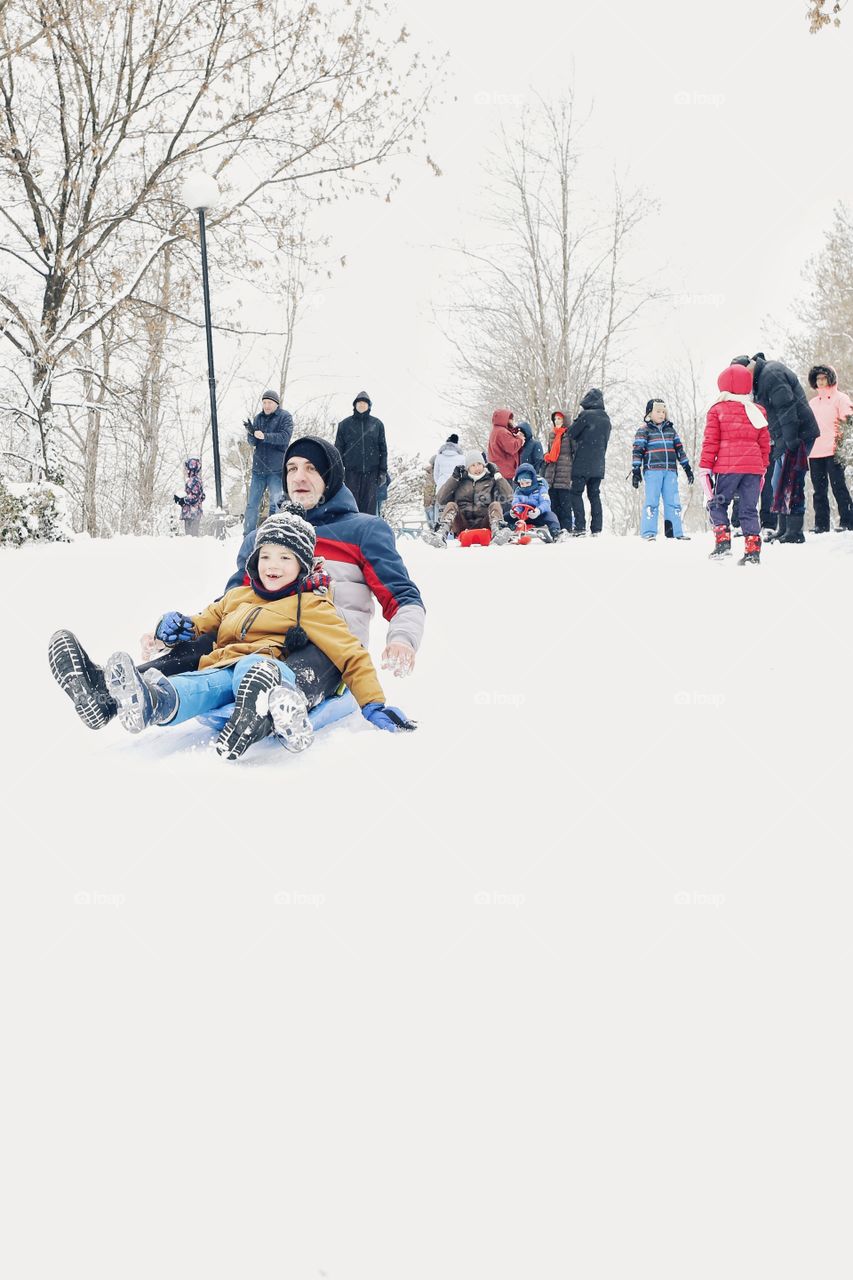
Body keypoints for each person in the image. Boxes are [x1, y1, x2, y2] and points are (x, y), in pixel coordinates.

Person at [49, 437, 426, 733]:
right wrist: (177, 632)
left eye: (311, 468)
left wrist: (402, 640)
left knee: (308, 655)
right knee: (211, 640)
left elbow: (403, 596)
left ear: (331, 476)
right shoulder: (266, 536)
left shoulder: (363, 530)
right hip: (259, 637)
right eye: (291, 468)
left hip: (325, 645)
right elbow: (233, 602)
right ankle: (107, 694)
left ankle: (271, 706)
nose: (298, 477)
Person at [48, 508, 415, 760]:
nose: (273, 565)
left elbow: (349, 653)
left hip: (270, 668)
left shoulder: (313, 606)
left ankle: (267, 710)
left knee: (254, 671)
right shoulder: (238, 596)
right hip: (223, 665)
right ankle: (150, 702)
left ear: (302, 567)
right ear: (254, 561)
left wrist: (373, 704)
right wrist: (173, 625)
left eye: (286, 559)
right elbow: (202, 622)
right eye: (266, 556)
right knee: (197, 686)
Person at [731, 353, 819, 544]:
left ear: (748, 368)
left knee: (792, 481)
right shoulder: (759, 380)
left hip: (798, 435)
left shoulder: (771, 373)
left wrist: (792, 441)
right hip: (783, 438)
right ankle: (783, 528)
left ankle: (795, 532)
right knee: (778, 482)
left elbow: (786, 408)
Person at [699, 363, 770, 565]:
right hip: (753, 468)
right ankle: (752, 551)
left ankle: (723, 544)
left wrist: (705, 466)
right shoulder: (757, 411)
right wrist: (762, 466)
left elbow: (711, 441)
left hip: (727, 467)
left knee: (717, 502)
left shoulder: (717, 410)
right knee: (749, 509)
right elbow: (764, 443)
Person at [631, 400, 694, 541]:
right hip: (653, 471)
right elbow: (637, 451)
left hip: (670, 471)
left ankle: (675, 532)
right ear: (649, 414)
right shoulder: (644, 430)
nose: (661, 414)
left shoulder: (671, 430)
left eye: (663, 412)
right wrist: (636, 470)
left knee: (673, 501)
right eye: (658, 411)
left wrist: (687, 468)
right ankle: (648, 532)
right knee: (652, 501)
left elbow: (680, 450)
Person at [424, 451, 513, 547]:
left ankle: (498, 533)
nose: (477, 468)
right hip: (463, 523)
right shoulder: (461, 481)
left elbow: (509, 496)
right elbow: (441, 499)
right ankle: (440, 535)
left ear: (484, 465)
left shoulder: (491, 480)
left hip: (485, 522)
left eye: (479, 464)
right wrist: (454, 478)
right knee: (451, 505)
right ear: (468, 468)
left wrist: (498, 475)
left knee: (495, 504)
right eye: (473, 465)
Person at [806, 364, 853, 532]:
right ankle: (821, 524)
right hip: (815, 451)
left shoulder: (841, 398)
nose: (820, 381)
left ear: (830, 378)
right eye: (817, 379)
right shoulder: (812, 403)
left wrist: (841, 445)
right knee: (818, 491)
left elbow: (847, 423)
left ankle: (848, 522)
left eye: (823, 378)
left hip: (834, 450)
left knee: (838, 487)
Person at [242, 389, 293, 534]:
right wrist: (251, 434)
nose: (266, 405)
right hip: (258, 469)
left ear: (276, 404)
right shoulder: (259, 418)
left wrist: (264, 436)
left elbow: (285, 438)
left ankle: (273, 533)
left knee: (276, 504)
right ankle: (248, 535)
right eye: (264, 402)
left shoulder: (285, 417)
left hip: (276, 470)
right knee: (252, 505)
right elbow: (253, 442)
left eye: (269, 402)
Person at [334, 391, 388, 514]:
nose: (362, 405)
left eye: (365, 403)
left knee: (370, 507)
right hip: (351, 473)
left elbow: (383, 449)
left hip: (372, 473)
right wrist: (338, 471)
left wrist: (383, 471)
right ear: (355, 405)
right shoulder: (345, 425)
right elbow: (337, 450)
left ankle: (367, 531)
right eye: (359, 403)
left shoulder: (377, 424)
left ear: (369, 406)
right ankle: (352, 531)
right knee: (351, 505)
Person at [568, 389, 611, 535]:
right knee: (594, 495)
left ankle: (580, 527)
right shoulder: (606, 419)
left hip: (581, 463)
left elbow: (571, 433)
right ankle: (597, 528)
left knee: (576, 493)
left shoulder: (586, 416)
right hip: (598, 464)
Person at [509, 463, 561, 541]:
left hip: (538, 515)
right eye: (522, 483)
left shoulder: (541, 489)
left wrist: (538, 510)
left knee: (551, 516)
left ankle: (555, 533)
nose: (525, 486)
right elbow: (516, 502)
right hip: (523, 517)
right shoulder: (518, 491)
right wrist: (515, 511)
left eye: (527, 483)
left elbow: (545, 502)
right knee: (507, 516)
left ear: (532, 481)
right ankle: (505, 530)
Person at [424, 434, 465, 525]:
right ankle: (455, 531)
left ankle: (441, 529)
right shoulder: (462, 458)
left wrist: (440, 483)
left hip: (441, 488)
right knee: (455, 510)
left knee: (442, 512)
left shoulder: (439, 457)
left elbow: (436, 475)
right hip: (457, 488)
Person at [543, 410, 574, 532]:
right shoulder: (552, 435)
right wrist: (547, 456)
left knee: (565, 504)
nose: (557, 421)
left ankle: (566, 528)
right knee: (553, 503)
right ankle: (555, 528)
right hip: (552, 474)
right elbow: (550, 451)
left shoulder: (569, 435)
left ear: (565, 421)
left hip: (565, 473)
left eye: (559, 419)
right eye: (555, 419)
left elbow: (574, 453)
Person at [487, 409, 523, 481]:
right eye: (510, 419)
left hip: (498, 471)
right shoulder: (502, 432)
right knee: (508, 491)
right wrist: (520, 439)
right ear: (504, 419)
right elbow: (512, 448)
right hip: (505, 472)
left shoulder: (495, 431)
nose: (512, 421)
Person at [174, 457, 204, 536]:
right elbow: (202, 496)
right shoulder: (193, 480)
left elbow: (195, 497)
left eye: (187, 468)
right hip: (191, 513)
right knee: (191, 536)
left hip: (192, 514)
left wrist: (183, 500)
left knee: (191, 537)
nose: (186, 470)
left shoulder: (194, 480)